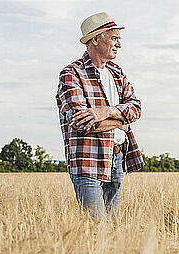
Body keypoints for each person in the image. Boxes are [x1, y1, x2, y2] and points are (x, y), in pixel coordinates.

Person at [56, 12, 145, 220]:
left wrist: (107, 111)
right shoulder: (72, 74)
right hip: (89, 160)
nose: (119, 45)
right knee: (95, 229)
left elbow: (136, 108)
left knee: (111, 228)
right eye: (114, 38)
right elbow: (80, 123)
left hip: (117, 158)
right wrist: (121, 123)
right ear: (95, 39)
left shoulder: (116, 73)